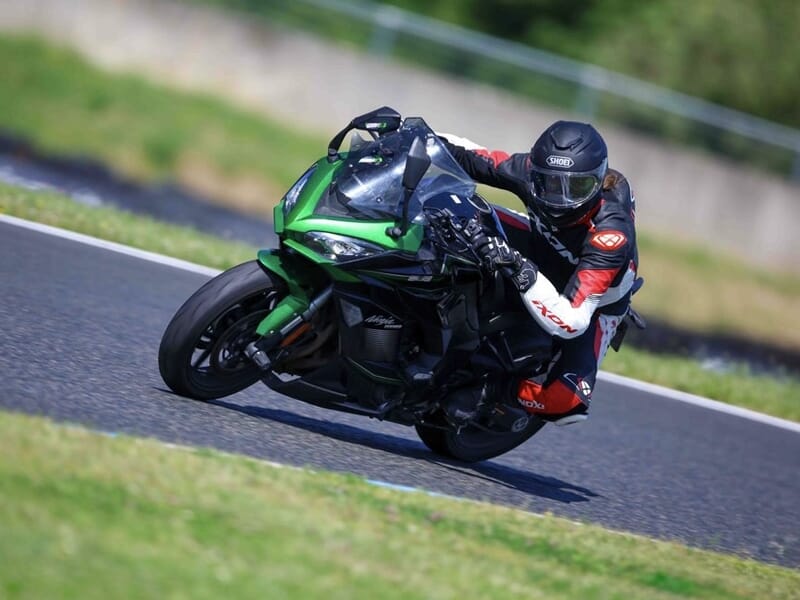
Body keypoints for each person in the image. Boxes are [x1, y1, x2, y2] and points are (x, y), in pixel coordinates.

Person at [438, 120, 640, 426]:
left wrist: (517, 267)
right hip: (539, 245)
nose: (559, 199)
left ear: (597, 182)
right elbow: (470, 153)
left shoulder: (611, 234)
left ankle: (496, 390)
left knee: (566, 403)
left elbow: (571, 321)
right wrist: (407, 130)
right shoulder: (529, 172)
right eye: (549, 183)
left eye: (576, 187)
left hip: (593, 301)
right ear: (535, 171)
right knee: (453, 212)